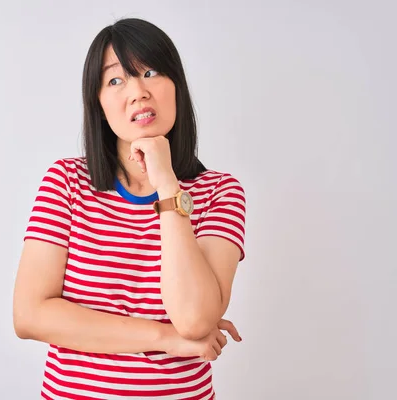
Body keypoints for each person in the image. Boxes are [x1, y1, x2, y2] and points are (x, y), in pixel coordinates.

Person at [13, 17, 247, 400]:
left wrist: (167, 185)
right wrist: (165, 338)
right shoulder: (67, 181)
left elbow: (194, 319)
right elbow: (30, 316)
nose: (138, 91)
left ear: (176, 86)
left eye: (151, 72)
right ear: (99, 103)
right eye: (116, 80)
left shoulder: (220, 192)